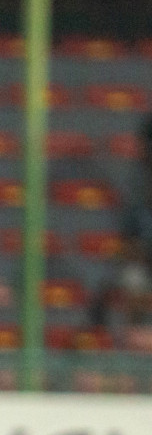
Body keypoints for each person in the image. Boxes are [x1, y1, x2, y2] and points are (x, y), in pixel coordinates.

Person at [92, 112, 152, 328]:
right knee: (131, 277)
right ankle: (136, 339)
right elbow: (128, 245)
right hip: (143, 264)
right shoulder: (137, 193)